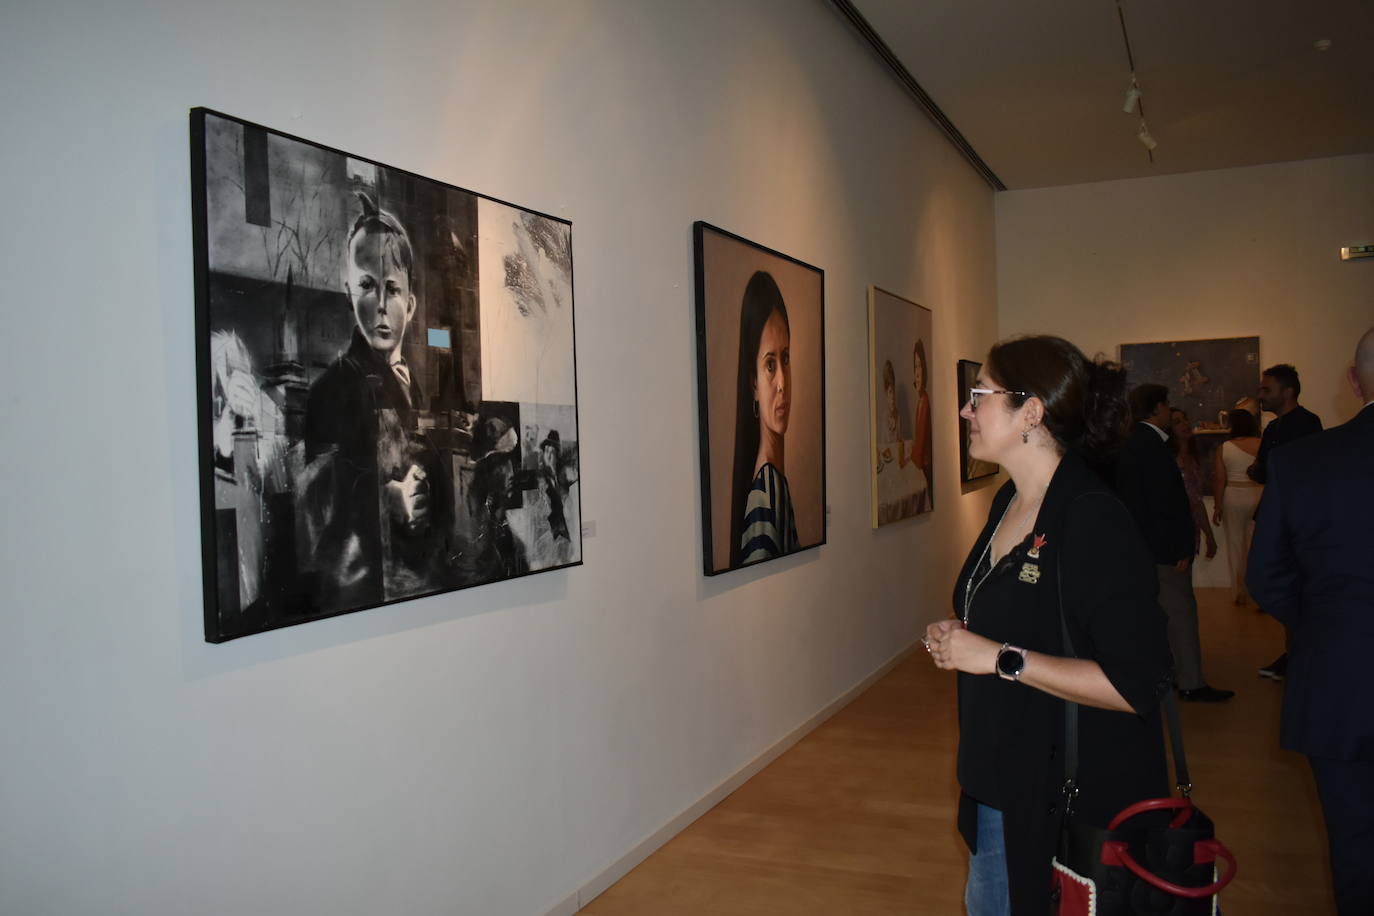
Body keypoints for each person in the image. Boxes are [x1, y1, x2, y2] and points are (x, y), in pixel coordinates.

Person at [925, 336, 1173, 915]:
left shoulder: (1092, 520)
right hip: (1001, 778)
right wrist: (966, 638)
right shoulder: (1009, 500)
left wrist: (999, 657)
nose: (965, 409)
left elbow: (1137, 682)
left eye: (978, 395)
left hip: (1065, 795)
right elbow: (1014, 614)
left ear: (1031, 412)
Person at [1246, 328, 1374, 915]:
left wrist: (1324, 630)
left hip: (1339, 684)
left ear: (1354, 382)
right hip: (1338, 675)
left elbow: (1267, 576)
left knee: (1356, 850)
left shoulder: (1302, 462)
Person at [299, 193, 452, 611]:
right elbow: (317, 506)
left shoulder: (416, 389)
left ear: (411, 303)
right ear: (349, 292)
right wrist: (384, 501)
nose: (381, 306)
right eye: (367, 286)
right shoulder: (331, 390)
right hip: (364, 601)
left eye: (392, 289)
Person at [1116, 384, 1232, 702]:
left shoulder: (1133, 442)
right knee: (1180, 613)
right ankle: (1191, 682)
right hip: (1162, 550)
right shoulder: (1151, 444)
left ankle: (1175, 675)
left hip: (1146, 547)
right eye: (1167, 407)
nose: (1170, 413)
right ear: (1157, 409)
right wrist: (1177, 547)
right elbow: (1163, 503)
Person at [1248, 363, 1323, 678]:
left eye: (1267, 389)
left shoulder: (1307, 423)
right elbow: (1261, 469)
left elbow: (1309, 471)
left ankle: (1301, 654)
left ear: (1287, 391)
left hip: (1301, 518)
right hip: (1276, 514)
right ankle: (1294, 652)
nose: (1261, 395)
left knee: (1303, 588)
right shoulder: (1272, 429)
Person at [729, 271, 799, 567]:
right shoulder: (763, 497)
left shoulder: (775, 485)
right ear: (754, 385)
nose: (782, 382)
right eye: (770, 365)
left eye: (785, 358)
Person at [1210, 407, 1262, 605]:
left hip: (1234, 495)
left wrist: (1217, 506)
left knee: (1235, 544)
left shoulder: (1225, 447)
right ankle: (1258, 594)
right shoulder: (1263, 443)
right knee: (1257, 545)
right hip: (1259, 494)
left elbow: (1220, 480)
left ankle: (1239, 591)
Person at [1168, 408, 1218, 562]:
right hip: (1174, 529)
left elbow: (1197, 501)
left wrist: (1209, 535)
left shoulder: (1192, 457)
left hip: (1192, 528)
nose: (1184, 424)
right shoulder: (1168, 459)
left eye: (1185, 419)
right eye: (1177, 422)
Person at [911, 339, 934, 508]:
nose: (917, 372)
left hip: (925, 469)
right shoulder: (920, 400)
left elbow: (919, 450)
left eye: (919, 366)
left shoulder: (924, 401)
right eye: (915, 367)